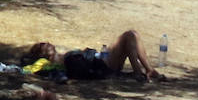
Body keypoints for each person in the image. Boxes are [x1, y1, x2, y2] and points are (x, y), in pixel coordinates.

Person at [28, 31, 161, 82]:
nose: (48, 43)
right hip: (103, 63)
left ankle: (147, 70)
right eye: (44, 45)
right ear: (42, 53)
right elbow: (34, 69)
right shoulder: (51, 62)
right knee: (129, 35)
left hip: (100, 58)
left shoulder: (62, 56)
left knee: (133, 35)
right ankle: (142, 72)